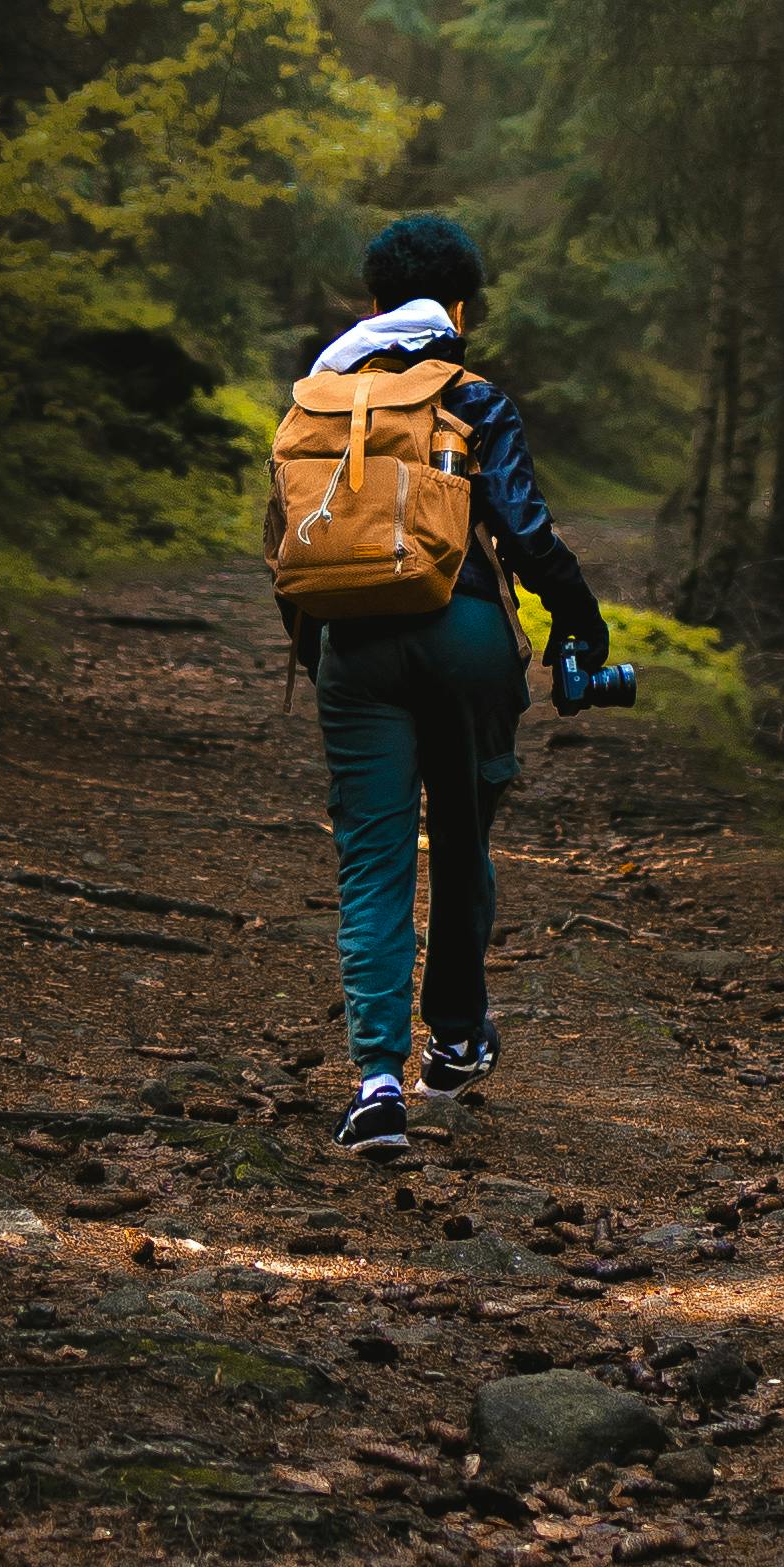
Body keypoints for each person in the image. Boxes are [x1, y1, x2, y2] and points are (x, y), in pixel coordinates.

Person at [276, 209, 613, 1158]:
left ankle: (377, 1083)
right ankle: (457, 1042)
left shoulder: (320, 402)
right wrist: (577, 619)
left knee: (373, 863)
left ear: (374, 301)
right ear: (456, 305)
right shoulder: (472, 396)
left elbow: (290, 545)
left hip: (355, 646)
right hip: (464, 632)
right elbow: (523, 530)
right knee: (462, 842)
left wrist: (332, 657)